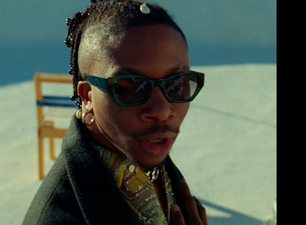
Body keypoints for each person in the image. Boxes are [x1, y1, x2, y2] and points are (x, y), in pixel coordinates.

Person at [23, 0, 207, 224]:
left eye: (177, 83)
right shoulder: (58, 218)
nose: (161, 110)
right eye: (129, 87)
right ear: (87, 97)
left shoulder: (152, 166)